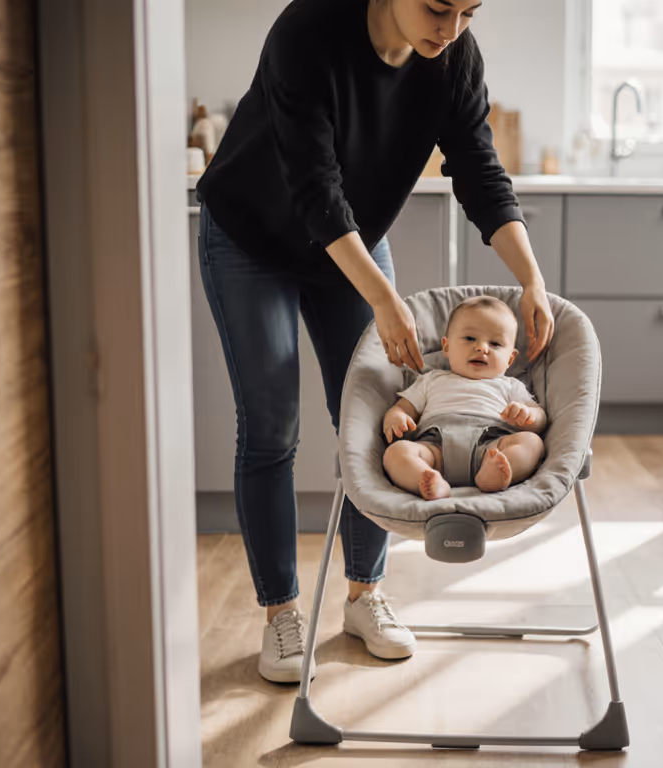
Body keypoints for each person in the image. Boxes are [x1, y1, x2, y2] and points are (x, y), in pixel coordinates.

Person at [195, 0, 556, 683]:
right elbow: (316, 187)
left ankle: (365, 595)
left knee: (371, 422)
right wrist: (384, 299)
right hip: (251, 238)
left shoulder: (453, 57)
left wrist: (531, 278)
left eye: (470, 12)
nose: (451, 30)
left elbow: (478, 168)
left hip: (352, 241)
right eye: (438, 8)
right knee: (271, 427)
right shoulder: (309, 31)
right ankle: (281, 615)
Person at [382, 296, 547, 499]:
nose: (481, 348)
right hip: (435, 449)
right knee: (396, 452)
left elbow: (540, 419)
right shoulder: (430, 379)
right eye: (469, 338)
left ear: (510, 359)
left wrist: (528, 415)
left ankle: (491, 476)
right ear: (446, 347)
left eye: (495, 343)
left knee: (533, 443)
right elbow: (402, 408)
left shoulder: (510, 385)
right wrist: (396, 418)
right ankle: (428, 478)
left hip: (491, 446)